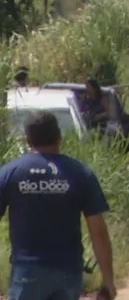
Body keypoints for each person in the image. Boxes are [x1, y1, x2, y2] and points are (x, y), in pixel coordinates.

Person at [0, 112, 116, 300]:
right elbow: (98, 231)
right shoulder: (80, 174)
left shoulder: (10, 173)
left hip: (27, 274)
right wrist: (108, 280)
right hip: (67, 272)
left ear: (28, 140)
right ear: (59, 137)